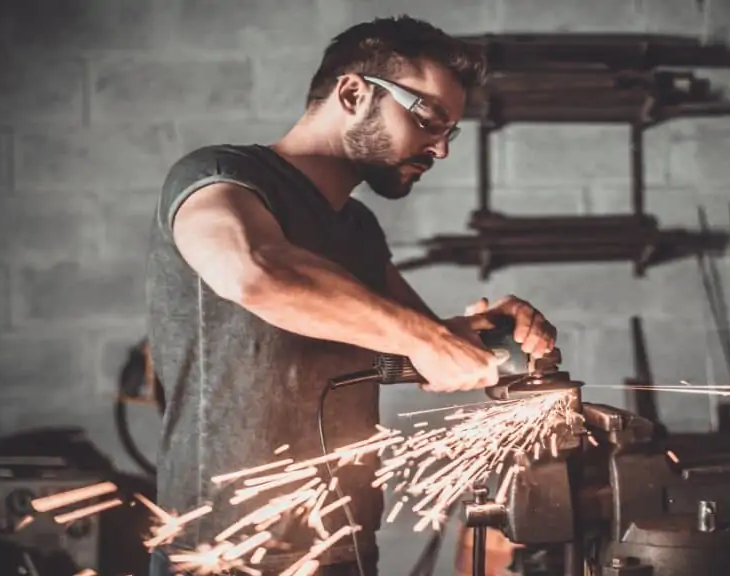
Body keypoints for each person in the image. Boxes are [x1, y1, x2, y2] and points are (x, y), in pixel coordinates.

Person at [146, 15, 558, 576]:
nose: (440, 150)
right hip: (226, 552)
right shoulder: (222, 178)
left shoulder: (357, 227)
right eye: (429, 119)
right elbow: (254, 272)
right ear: (353, 92)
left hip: (342, 545)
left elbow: (423, 347)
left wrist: (498, 338)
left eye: (449, 132)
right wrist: (429, 337)